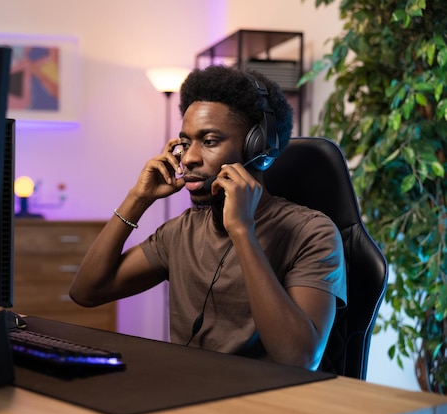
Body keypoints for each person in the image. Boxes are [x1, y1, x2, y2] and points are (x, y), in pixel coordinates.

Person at [69, 65, 346, 370]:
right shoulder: (181, 232)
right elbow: (85, 292)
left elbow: (299, 358)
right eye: (185, 143)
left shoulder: (312, 233)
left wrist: (242, 231)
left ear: (258, 148)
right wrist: (138, 198)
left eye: (210, 141)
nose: (188, 158)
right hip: (190, 398)